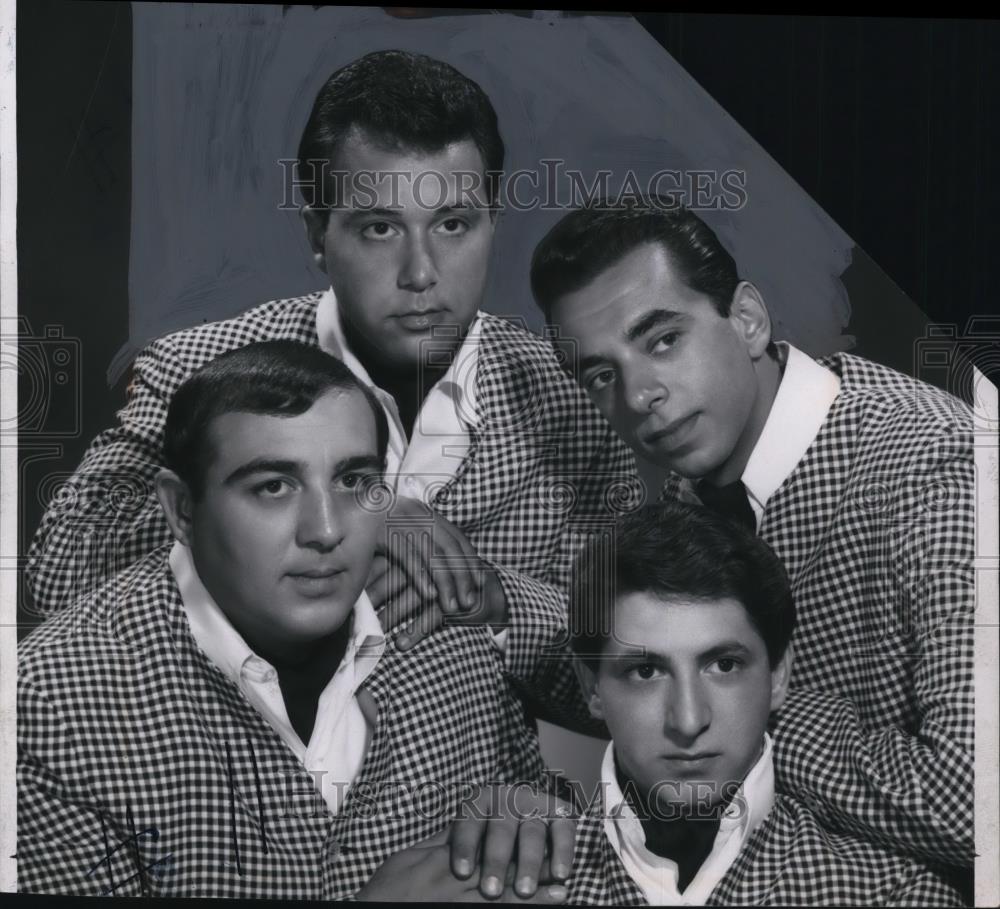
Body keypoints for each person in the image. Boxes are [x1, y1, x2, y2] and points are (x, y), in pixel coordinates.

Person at [24, 50, 635, 726]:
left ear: (493, 221)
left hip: (463, 813)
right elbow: (60, 572)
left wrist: (496, 600)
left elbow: (620, 680)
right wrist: (361, 511)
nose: (421, 273)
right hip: (222, 798)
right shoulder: (196, 364)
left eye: (453, 225)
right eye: (379, 228)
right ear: (319, 234)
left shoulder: (577, 398)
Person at [17, 341, 571, 900]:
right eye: (274, 487)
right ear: (182, 509)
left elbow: (532, 840)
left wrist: (531, 830)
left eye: (353, 481)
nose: (326, 531)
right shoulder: (48, 706)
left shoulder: (447, 635)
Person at [529, 200, 974, 870]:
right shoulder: (694, 495)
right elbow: (634, 686)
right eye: (601, 374)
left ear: (747, 319)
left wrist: (753, 718)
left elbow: (973, 804)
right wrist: (493, 602)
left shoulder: (936, 467)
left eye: (662, 340)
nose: (639, 395)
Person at [563, 502, 963, 905]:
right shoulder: (519, 875)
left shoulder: (894, 894)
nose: (688, 720)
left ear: (778, 675)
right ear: (591, 687)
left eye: (724, 665)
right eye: (646, 672)